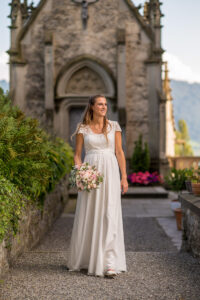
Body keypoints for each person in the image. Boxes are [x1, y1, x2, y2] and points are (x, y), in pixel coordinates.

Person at [67, 94, 128, 278]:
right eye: (100, 104)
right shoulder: (82, 129)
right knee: (90, 213)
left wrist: (124, 177)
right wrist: (80, 172)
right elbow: (78, 154)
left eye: (105, 104)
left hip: (110, 172)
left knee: (109, 213)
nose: (103, 107)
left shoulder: (114, 126)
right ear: (92, 107)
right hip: (91, 174)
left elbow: (119, 152)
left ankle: (109, 263)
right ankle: (87, 258)